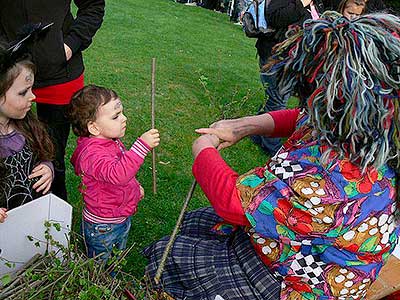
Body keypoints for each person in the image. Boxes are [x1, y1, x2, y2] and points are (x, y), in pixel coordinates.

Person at [144, 12, 400, 299]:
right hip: (303, 243)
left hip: (305, 282)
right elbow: (301, 117)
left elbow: (233, 202)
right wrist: (244, 126)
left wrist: (202, 150)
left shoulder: (338, 181)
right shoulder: (363, 126)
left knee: (185, 260)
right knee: (200, 226)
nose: (308, 104)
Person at [0, 0, 105, 201]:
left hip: (59, 76)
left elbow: (93, 5)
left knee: (51, 156)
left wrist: (67, 46)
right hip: (11, 77)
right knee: (9, 150)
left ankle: (53, 217)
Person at [68, 85, 160, 263]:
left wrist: (134, 186)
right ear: (94, 128)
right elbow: (118, 174)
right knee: (99, 264)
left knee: (116, 257)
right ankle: (100, 285)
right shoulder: (92, 155)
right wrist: (142, 146)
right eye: (116, 116)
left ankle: (112, 277)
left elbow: (122, 167)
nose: (124, 119)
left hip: (118, 216)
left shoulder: (110, 141)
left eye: (122, 112)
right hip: (103, 224)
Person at [251, 0, 323, 156]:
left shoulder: (315, 4)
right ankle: (271, 145)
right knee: (278, 100)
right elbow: (275, 18)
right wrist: (301, 3)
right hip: (276, 56)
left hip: (293, 60)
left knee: (275, 98)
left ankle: (256, 133)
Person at [0, 32, 54, 223]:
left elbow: (43, 156)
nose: (33, 97)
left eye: (31, 89)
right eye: (23, 92)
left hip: (30, 217)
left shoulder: (27, 125)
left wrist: (47, 168)